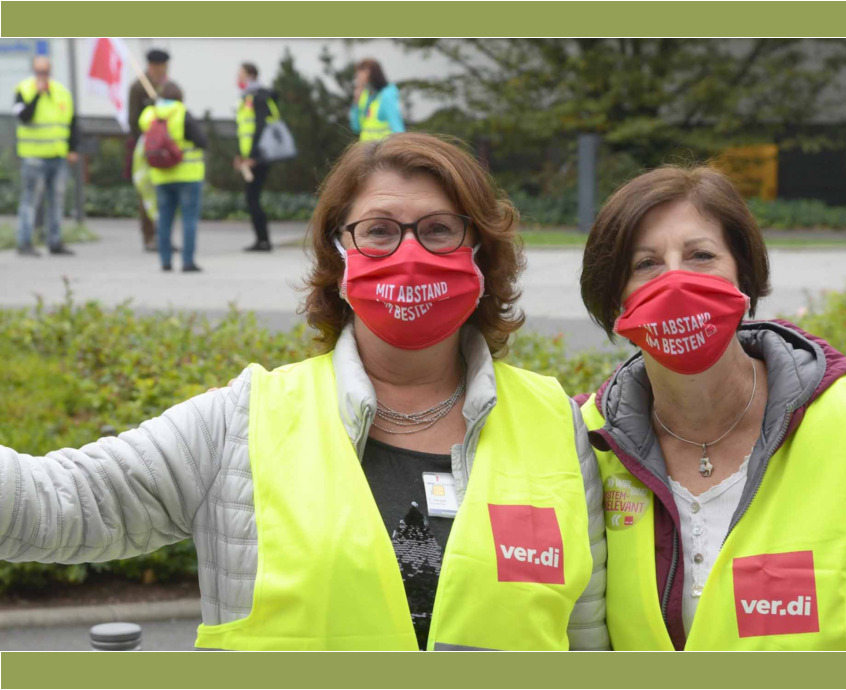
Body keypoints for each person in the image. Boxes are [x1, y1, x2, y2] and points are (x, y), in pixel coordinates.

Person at [0, 133, 609, 652]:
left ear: (481, 252)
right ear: (337, 258)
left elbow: (586, 643)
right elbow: (54, 502)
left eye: (440, 230)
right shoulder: (246, 420)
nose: (410, 254)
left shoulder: (556, 424)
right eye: (378, 232)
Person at [577, 165, 846, 650]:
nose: (676, 281)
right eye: (646, 264)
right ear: (615, 301)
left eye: (701, 256)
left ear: (744, 278)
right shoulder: (588, 441)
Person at [13, 55, 79, 257]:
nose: (42, 76)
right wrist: (37, 96)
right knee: (30, 201)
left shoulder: (62, 93)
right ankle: (24, 242)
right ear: (34, 71)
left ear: (50, 71)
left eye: (45, 72)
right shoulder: (23, 90)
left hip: (58, 157)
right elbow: (24, 117)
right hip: (33, 157)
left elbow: (72, 123)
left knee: (57, 201)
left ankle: (54, 241)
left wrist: (72, 148)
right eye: (39, 72)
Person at [138, 82, 207, 273]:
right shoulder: (182, 113)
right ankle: (187, 262)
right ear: (180, 97)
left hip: (161, 176)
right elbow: (202, 141)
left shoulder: (149, 115)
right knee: (189, 219)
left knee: (164, 220)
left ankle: (165, 261)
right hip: (188, 175)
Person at [234, 62, 280, 252]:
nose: (237, 78)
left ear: (251, 75)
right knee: (252, 198)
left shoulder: (259, 98)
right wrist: (240, 154)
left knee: (253, 198)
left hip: (258, 158)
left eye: (241, 74)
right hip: (249, 157)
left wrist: (253, 157)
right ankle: (261, 239)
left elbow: (260, 129)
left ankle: (264, 240)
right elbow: (244, 130)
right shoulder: (247, 98)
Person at [128, 48, 170, 252]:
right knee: (146, 193)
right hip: (146, 149)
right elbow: (133, 120)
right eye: (161, 66)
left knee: (165, 194)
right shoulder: (138, 87)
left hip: (167, 150)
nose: (164, 69)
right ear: (153, 66)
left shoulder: (168, 87)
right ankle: (149, 236)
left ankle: (165, 236)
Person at [349, 58, 405, 142]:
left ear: (372, 73)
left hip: (383, 150)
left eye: (361, 71)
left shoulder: (386, 95)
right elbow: (356, 127)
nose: (358, 75)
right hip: (366, 150)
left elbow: (396, 126)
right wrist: (356, 103)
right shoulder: (365, 95)